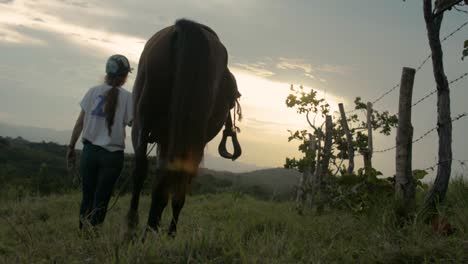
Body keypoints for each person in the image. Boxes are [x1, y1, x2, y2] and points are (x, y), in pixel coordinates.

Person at [66, 54, 133, 229]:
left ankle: (83, 233)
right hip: (112, 157)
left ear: (107, 73)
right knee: (101, 199)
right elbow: (134, 123)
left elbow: (80, 122)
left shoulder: (93, 92)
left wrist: (71, 146)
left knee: (87, 196)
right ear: (124, 77)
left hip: (89, 153)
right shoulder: (127, 98)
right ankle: (94, 235)